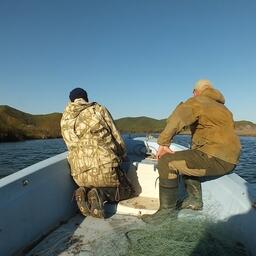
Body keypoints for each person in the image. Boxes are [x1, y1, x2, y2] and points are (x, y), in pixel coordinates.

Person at [143, 79, 241, 221]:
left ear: (196, 92)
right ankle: (194, 200)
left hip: (215, 159)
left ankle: (165, 214)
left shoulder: (198, 101)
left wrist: (163, 143)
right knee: (189, 156)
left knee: (166, 161)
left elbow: (177, 119)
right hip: (231, 161)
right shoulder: (224, 109)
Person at [61, 88, 134, 218]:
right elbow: (115, 135)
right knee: (128, 191)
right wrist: (122, 154)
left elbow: (69, 145)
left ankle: (83, 192)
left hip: (79, 174)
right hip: (104, 166)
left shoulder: (64, 119)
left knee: (92, 183)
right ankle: (101, 194)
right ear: (86, 98)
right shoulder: (98, 109)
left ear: (71, 100)